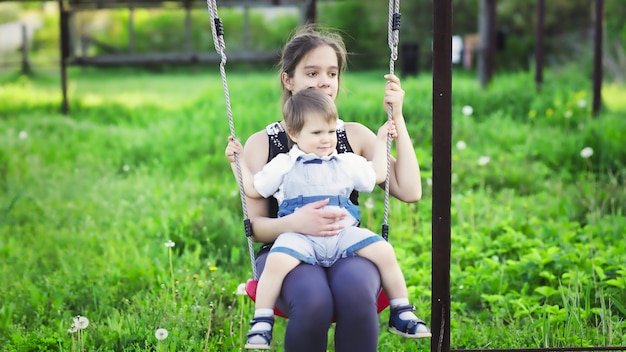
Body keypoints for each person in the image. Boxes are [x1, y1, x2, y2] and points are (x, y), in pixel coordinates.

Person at [225, 24, 427, 352]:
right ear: (288, 80)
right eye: (312, 72)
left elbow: (409, 189)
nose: (324, 82)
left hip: (344, 245)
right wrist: (294, 223)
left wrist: (398, 117)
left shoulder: (354, 135)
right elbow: (257, 227)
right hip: (286, 250)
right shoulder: (264, 143)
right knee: (314, 300)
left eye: (331, 73)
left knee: (357, 294)